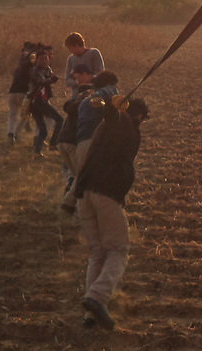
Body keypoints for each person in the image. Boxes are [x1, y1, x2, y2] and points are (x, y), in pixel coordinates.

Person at [74, 95, 150, 330]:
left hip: (84, 193)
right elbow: (114, 118)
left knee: (97, 253)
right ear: (139, 116)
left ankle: (90, 318)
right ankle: (97, 297)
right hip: (105, 193)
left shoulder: (103, 129)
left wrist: (110, 108)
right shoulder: (127, 124)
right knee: (118, 250)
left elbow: (110, 119)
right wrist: (112, 108)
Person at [57, 64, 94, 214]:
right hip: (71, 141)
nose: (76, 82)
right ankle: (70, 203)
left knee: (78, 174)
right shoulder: (86, 98)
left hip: (63, 140)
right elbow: (73, 109)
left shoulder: (80, 98)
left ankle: (69, 200)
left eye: (78, 78)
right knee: (83, 174)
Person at [75, 71, 118, 174]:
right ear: (108, 83)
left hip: (81, 143)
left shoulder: (83, 103)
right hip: (95, 143)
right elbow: (111, 94)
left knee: (82, 181)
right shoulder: (108, 91)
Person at [26, 48, 63, 157]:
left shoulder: (47, 69)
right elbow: (42, 80)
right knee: (59, 120)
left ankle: (37, 153)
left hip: (38, 102)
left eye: (46, 59)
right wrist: (52, 80)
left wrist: (52, 78)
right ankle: (53, 144)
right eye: (41, 59)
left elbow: (49, 77)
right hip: (38, 102)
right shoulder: (36, 71)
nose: (44, 61)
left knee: (42, 130)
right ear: (36, 60)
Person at [7, 42, 36, 144]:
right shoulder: (31, 70)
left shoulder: (18, 69)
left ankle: (10, 133)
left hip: (11, 93)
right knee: (25, 115)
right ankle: (17, 133)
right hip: (23, 94)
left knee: (13, 115)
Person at [64, 32, 105, 99]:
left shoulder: (94, 53)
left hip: (93, 95)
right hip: (76, 96)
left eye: (70, 48)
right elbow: (67, 80)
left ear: (76, 45)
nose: (70, 51)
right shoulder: (71, 59)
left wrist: (89, 80)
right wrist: (77, 82)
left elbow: (101, 74)